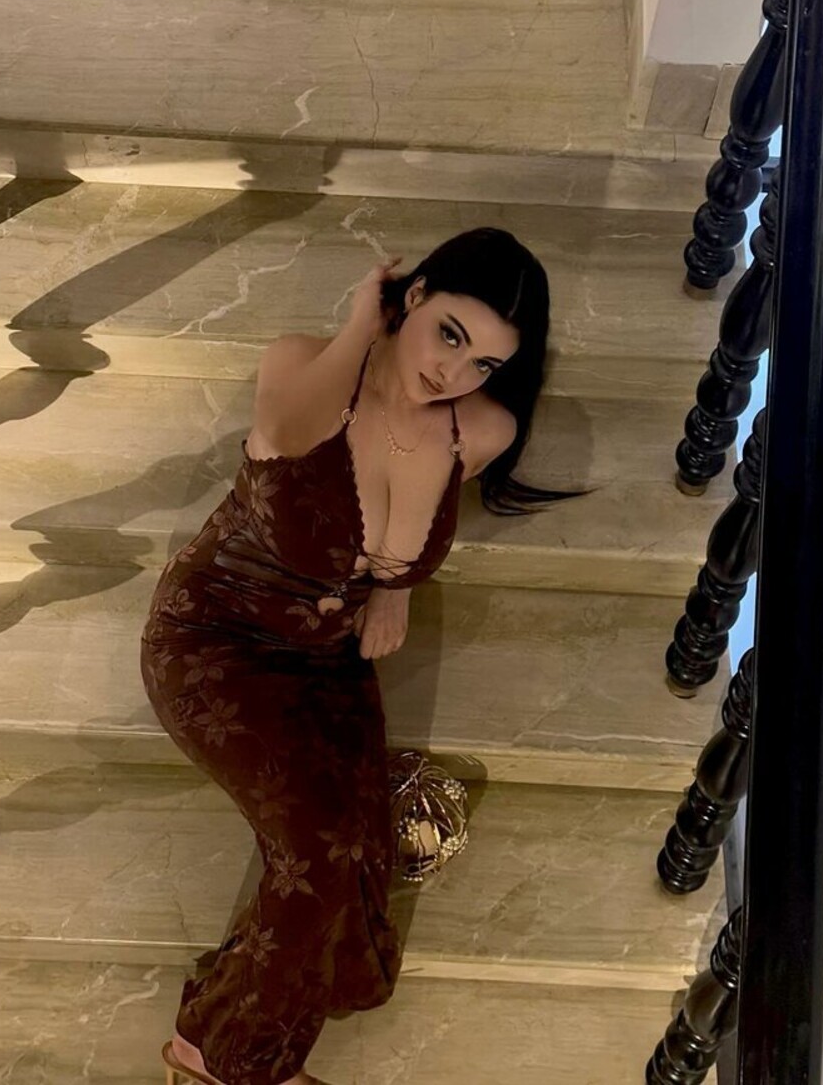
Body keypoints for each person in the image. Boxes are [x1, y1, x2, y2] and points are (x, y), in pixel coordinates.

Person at [141, 227, 560, 1085]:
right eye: (449, 334)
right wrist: (361, 323)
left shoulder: (480, 429)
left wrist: (397, 585)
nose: (454, 372)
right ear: (413, 297)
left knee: (358, 849)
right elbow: (286, 428)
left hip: (328, 656)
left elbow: (409, 526)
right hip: (216, 635)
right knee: (320, 851)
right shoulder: (304, 368)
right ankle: (228, 1062)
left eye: (484, 361)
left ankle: (220, 1031)